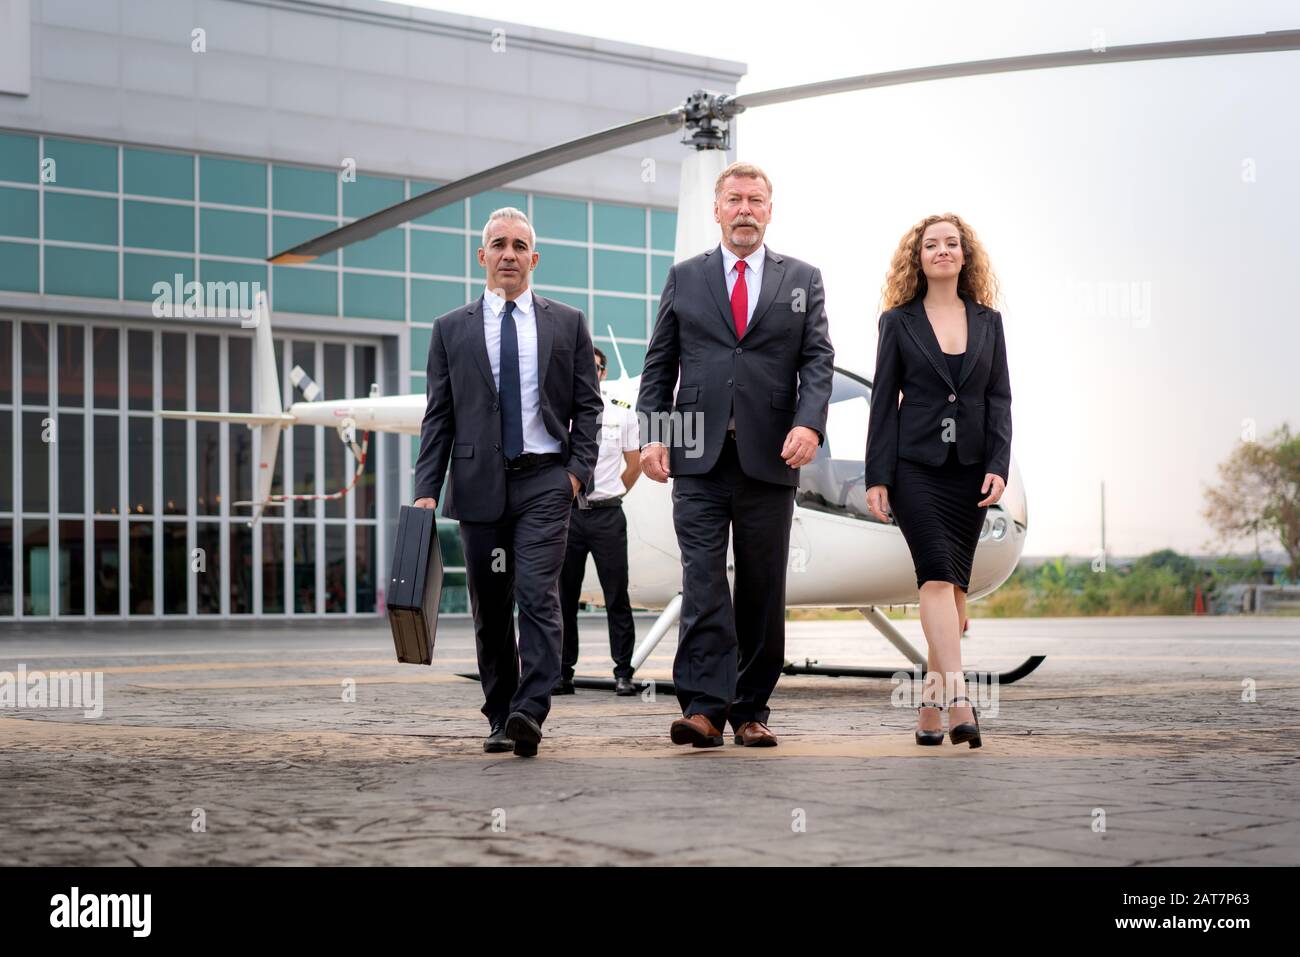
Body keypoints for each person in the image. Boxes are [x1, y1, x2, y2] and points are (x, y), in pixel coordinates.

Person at [637, 161, 834, 748]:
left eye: (755, 200)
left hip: (771, 457)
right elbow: (660, 364)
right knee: (702, 581)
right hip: (696, 455)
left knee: (761, 586)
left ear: (769, 211)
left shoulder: (802, 278)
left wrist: (810, 426)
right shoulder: (684, 277)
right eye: (734, 200)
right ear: (717, 210)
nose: (744, 209)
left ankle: (751, 710)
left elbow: (817, 361)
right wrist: (652, 434)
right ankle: (702, 707)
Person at [412, 207, 603, 758]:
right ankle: (500, 714)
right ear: (482, 257)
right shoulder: (451, 329)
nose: (509, 255)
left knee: (538, 594)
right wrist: (427, 487)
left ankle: (530, 709)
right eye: (499, 245)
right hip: (478, 486)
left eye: (520, 246)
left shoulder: (566, 322)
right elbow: (439, 416)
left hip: (545, 481)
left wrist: (576, 474)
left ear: (534, 259)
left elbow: (587, 409)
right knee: (489, 605)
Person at [863, 213, 1012, 749]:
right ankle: (960, 700)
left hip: (971, 470)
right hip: (914, 468)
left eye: (952, 243)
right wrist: (876, 475)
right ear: (918, 257)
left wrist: (999, 464)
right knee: (933, 578)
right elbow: (882, 401)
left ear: (965, 255)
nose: (943, 251)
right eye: (932, 244)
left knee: (955, 592)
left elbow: (999, 400)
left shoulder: (990, 322)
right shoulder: (898, 321)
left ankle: (927, 709)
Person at [556, 346, 641, 696]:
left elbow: (634, 464)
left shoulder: (620, 415)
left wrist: (614, 492)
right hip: (569, 516)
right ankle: (562, 674)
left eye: (595, 367)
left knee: (616, 596)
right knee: (563, 597)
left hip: (607, 515)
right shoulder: (560, 414)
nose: (589, 372)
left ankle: (623, 673)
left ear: (603, 373)